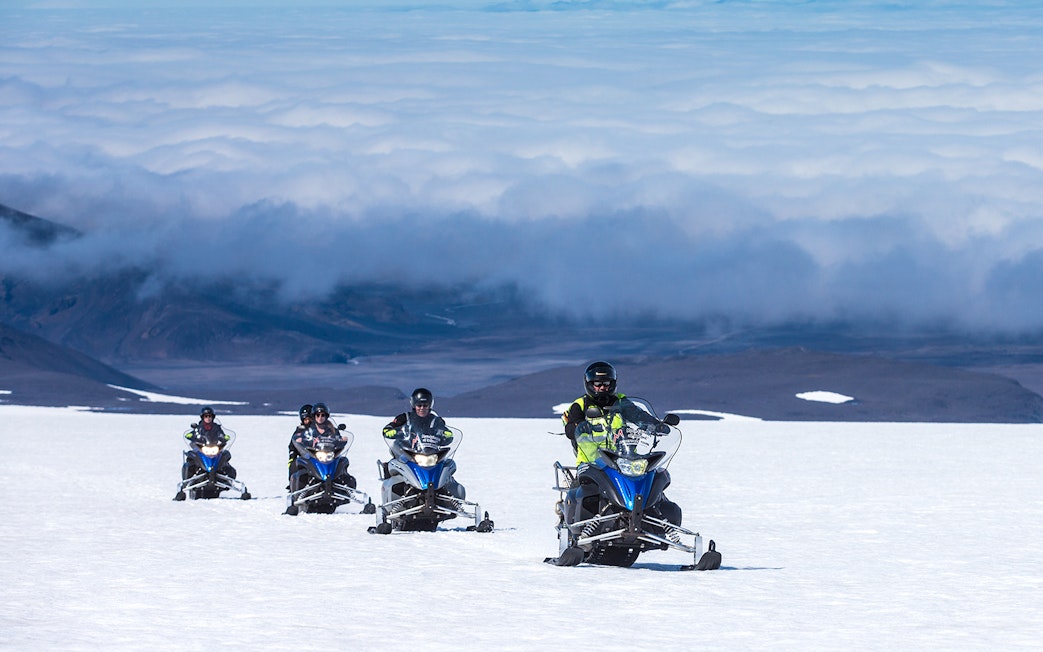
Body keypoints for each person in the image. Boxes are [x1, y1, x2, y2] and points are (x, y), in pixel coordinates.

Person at [558, 361, 680, 524]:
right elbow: (570, 427)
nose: (602, 388)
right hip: (591, 462)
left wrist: (657, 425)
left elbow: (638, 415)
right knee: (583, 492)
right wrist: (578, 427)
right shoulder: (580, 405)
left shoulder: (621, 402)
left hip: (621, 459)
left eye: (606, 384)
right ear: (589, 385)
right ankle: (574, 530)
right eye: (597, 384)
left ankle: (659, 524)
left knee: (652, 484)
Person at [381, 388, 463, 499]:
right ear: (414, 405)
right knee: (394, 467)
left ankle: (450, 498)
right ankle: (396, 499)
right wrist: (392, 432)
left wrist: (446, 434)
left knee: (448, 467)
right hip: (407, 455)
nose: (422, 408)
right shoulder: (404, 418)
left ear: (430, 405)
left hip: (430, 454)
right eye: (419, 405)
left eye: (425, 405)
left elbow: (446, 432)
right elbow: (388, 428)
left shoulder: (435, 421)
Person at [183, 406, 234, 480]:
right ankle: (188, 480)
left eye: (210, 416)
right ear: (203, 417)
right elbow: (193, 434)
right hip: (201, 448)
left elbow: (221, 434)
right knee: (191, 457)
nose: (208, 418)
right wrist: (190, 435)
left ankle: (228, 479)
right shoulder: (198, 428)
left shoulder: (216, 427)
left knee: (225, 456)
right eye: (206, 416)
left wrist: (224, 437)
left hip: (214, 448)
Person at [286, 404, 313, 485]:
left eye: (310, 419)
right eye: (305, 419)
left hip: (320, 455)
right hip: (306, 456)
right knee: (294, 464)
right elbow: (292, 445)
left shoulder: (321, 429)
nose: (308, 421)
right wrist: (292, 456)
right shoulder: (299, 431)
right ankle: (293, 484)